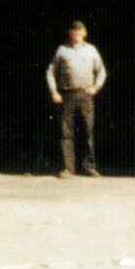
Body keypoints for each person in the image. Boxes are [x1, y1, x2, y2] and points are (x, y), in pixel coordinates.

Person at [46, 20, 107, 177]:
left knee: (87, 130)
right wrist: (54, 92)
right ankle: (68, 168)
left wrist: (95, 87)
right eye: (74, 31)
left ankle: (88, 167)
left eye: (80, 31)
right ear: (70, 33)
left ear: (84, 33)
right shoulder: (62, 50)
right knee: (66, 132)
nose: (77, 34)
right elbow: (50, 72)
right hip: (67, 95)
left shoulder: (91, 50)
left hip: (85, 94)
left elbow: (101, 71)